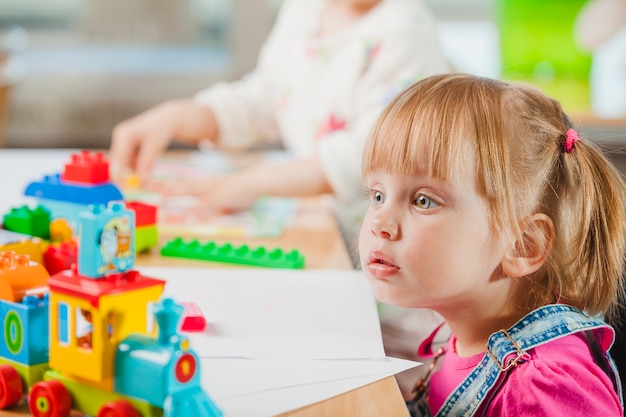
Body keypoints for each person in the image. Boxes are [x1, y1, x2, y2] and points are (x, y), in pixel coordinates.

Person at [359, 73, 625, 415]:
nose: (379, 223)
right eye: (377, 195)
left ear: (522, 246)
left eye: (423, 201)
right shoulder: (469, 333)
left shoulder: (544, 389)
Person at [109, 0, 450, 250]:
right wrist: (184, 115)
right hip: (325, 235)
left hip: (392, 253)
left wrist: (253, 182)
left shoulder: (406, 29)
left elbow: (368, 156)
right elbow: (268, 98)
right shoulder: (304, 10)